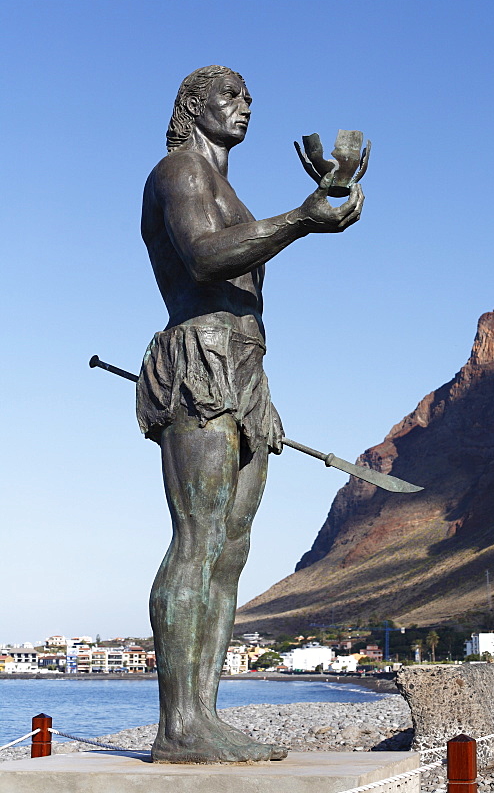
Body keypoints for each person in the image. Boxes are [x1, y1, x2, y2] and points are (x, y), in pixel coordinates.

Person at [136, 65, 364, 764]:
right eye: (230, 97)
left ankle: (205, 715)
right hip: (198, 361)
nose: (246, 106)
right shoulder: (177, 172)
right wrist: (300, 218)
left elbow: (246, 289)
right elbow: (205, 259)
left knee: (232, 549)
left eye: (247, 98)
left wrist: (320, 200)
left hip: (246, 369)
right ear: (193, 106)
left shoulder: (230, 191)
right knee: (198, 537)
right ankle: (177, 726)